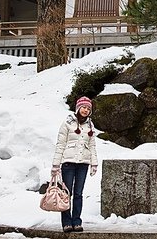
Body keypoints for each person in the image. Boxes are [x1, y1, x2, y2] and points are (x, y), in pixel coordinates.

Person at [51, 96, 98, 233]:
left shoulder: (90, 125)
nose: (86, 110)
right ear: (78, 108)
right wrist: (55, 165)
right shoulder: (67, 123)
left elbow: (92, 146)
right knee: (67, 193)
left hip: (83, 163)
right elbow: (60, 144)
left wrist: (93, 163)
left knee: (78, 193)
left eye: (88, 108)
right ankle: (66, 222)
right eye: (84, 107)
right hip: (68, 163)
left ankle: (77, 221)